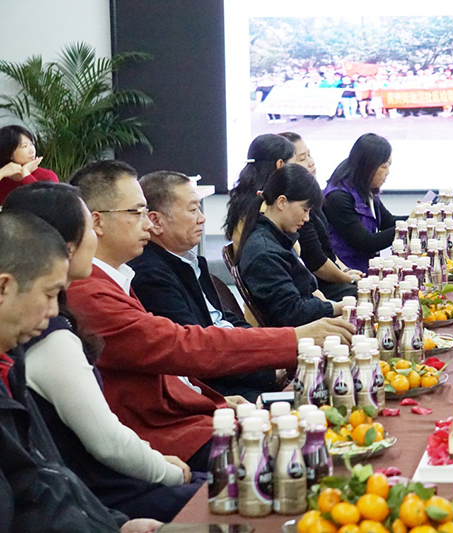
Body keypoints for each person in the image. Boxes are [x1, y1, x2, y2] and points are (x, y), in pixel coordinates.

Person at [67, 160, 353, 468]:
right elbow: (182, 347)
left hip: (196, 413)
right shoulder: (94, 292)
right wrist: (293, 340)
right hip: (171, 438)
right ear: (97, 222)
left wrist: (214, 401)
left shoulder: (120, 277)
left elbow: (175, 359)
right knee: (307, 451)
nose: (147, 224)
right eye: (136, 213)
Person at [4, 182, 202, 522]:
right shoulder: (52, 333)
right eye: (89, 227)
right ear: (64, 248)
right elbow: (106, 443)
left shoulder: (43, 325)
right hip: (105, 491)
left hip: (98, 494)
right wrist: (166, 473)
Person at [0, 209, 161, 532]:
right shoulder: (41, 345)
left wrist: (117, 525)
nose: (53, 311)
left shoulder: (11, 363)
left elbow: (45, 478)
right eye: (49, 295)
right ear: (4, 288)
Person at [130, 171, 282, 402]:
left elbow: (226, 320)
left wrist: (273, 356)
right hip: (222, 393)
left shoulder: (186, 262)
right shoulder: (150, 276)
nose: (202, 219)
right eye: (193, 210)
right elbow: (200, 355)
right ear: (156, 221)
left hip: (244, 372)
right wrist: (270, 372)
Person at [238, 164, 344, 327]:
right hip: (298, 333)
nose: (307, 218)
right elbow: (293, 312)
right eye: (305, 209)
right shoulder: (265, 253)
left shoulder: (277, 238)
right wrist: (336, 307)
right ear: (282, 202)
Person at [278, 132, 362, 300]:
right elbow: (317, 263)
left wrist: (346, 271)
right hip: (317, 286)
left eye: (309, 155)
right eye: (302, 158)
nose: (311, 162)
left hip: (330, 280)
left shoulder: (312, 201)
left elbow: (327, 250)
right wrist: (349, 279)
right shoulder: (293, 209)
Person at [324, 133, 400, 272]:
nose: (388, 172)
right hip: (348, 272)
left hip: (367, 267)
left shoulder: (364, 187)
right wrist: (407, 228)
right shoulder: (337, 197)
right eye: (384, 166)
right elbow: (365, 242)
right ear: (368, 166)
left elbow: (387, 222)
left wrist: (419, 218)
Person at [224, 133, 296, 252]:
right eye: (293, 165)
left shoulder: (244, 197)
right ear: (280, 165)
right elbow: (295, 251)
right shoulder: (267, 206)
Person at [0, 125, 59, 204]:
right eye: (25, 146)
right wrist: (1, 173)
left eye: (32, 144)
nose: (32, 150)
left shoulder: (47, 176)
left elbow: (48, 203)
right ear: (8, 152)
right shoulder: (3, 177)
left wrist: (26, 175)